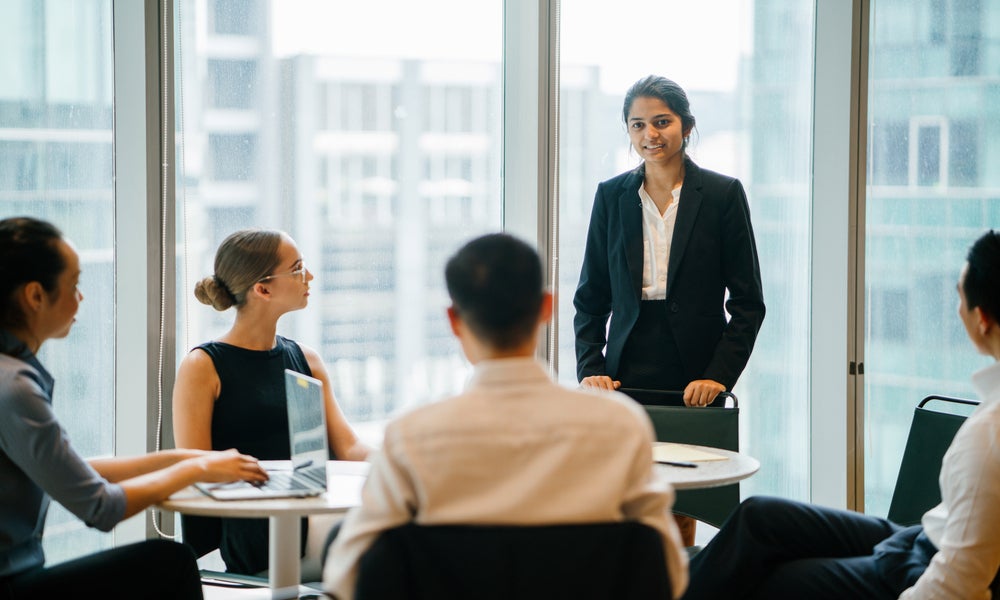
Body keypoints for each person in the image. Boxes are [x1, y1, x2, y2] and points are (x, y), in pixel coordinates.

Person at [322, 232, 688, 599]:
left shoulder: (412, 436)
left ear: (453, 319)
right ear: (547, 307)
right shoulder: (620, 425)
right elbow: (666, 572)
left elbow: (348, 576)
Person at [681, 229, 1000, 600]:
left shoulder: (988, 437)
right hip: (923, 538)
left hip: (926, 568)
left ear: (982, 318)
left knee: (774, 580)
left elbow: (959, 583)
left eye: (959, 298)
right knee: (758, 518)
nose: (956, 308)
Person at [0, 216, 267, 599]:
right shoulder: (15, 387)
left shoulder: (11, 375)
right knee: (169, 561)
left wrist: (183, 459)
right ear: (35, 296)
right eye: (74, 285)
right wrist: (197, 467)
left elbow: (74, 471)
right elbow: (101, 508)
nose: (81, 298)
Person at [573, 74, 766, 545]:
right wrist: (590, 368)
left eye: (662, 122)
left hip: (694, 376)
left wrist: (719, 375)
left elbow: (747, 303)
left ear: (686, 126)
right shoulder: (610, 196)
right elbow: (590, 298)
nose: (650, 135)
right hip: (624, 373)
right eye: (637, 125)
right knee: (624, 500)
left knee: (685, 503)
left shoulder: (722, 195)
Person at [172, 228, 371, 579]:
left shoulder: (306, 360)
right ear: (262, 289)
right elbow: (196, 468)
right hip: (250, 528)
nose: (309, 276)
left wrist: (408, 461)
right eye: (297, 269)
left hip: (309, 513)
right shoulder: (202, 366)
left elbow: (349, 447)